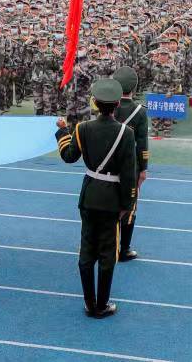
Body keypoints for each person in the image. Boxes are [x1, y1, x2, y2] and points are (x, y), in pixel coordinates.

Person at [55, 78, 137, 319]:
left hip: (89, 196)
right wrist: (127, 204)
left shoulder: (82, 129)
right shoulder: (126, 133)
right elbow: (129, 174)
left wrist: (62, 131)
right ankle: (102, 304)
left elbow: (69, 156)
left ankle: (89, 303)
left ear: (95, 103)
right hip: (112, 200)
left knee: (87, 250)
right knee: (108, 253)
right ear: (116, 105)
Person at [111, 67, 148, 262]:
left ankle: (105, 245)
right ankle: (123, 249)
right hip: (130, 167)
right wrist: (143, 168)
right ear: (134, 87)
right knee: (129, 207)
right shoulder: (139, 112)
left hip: (109, 164)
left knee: (108, 203)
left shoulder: (109, 106)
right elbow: (142, 143)